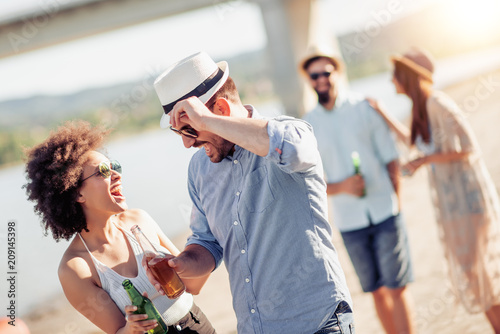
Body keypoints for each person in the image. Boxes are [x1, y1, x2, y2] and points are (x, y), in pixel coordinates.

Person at [149, 51, 354, 334]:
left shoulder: (290, 131)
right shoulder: (199, 169)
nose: (186, 144)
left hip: (318, 322)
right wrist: (181, 264)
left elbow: (294, 150)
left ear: (219, 110)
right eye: (179, 133)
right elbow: (207, 243)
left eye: (189, 129)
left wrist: (206, 122)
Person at [23, 120, 216, 334]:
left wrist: (210, 234)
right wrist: (131, 328)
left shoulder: (140, 220)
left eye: (115, 166)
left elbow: (194, 286)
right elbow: (117, 331)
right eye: (103, 171)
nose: (116, 175)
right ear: (77, 193)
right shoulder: (75, 268)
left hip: (198, 325)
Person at [369, 47, 500, 333]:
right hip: (452, 204)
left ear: (408, 77)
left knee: (482, 274)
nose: (392, 82)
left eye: (395, 76)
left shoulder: (437, 102)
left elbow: (468, 147)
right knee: (474, 275)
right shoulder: (422, 107)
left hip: (469, 201)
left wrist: (427, 160)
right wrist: (382, 112)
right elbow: (413, 142)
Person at [299, 46, 416, 334]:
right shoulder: (306, 126)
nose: (321, 79)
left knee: (397, 288)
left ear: (337, 73)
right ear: (309, 80)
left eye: (326, 72)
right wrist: (342, 187)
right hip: (350, 223)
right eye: (314, 75)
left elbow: (391, 158)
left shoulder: (364, 108)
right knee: (376, 291)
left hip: (385, 211)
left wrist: (396, 203)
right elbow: (308, 182)